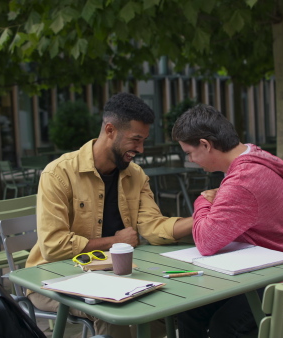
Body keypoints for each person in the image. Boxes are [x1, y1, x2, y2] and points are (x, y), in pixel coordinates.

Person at [26, 92, 193, 337]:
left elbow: (152, 227)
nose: (141, 149)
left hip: (115, 276)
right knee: (111, 311)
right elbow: (53, 247)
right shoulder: (58, 174)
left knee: (160, 307)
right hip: (54, 278)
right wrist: (114, 242)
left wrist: (199, 220)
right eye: (136, 140)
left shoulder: (136, 175)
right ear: (110, 130)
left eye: (144, 140)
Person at [171, 104, 283, 338]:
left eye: (189, 153)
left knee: (224, 326)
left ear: (206, 145)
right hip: (267, 266)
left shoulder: (243, 180)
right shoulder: (250, 160)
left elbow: (205, 241)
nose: (190, 160)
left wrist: (203, 200)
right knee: (191, 310)